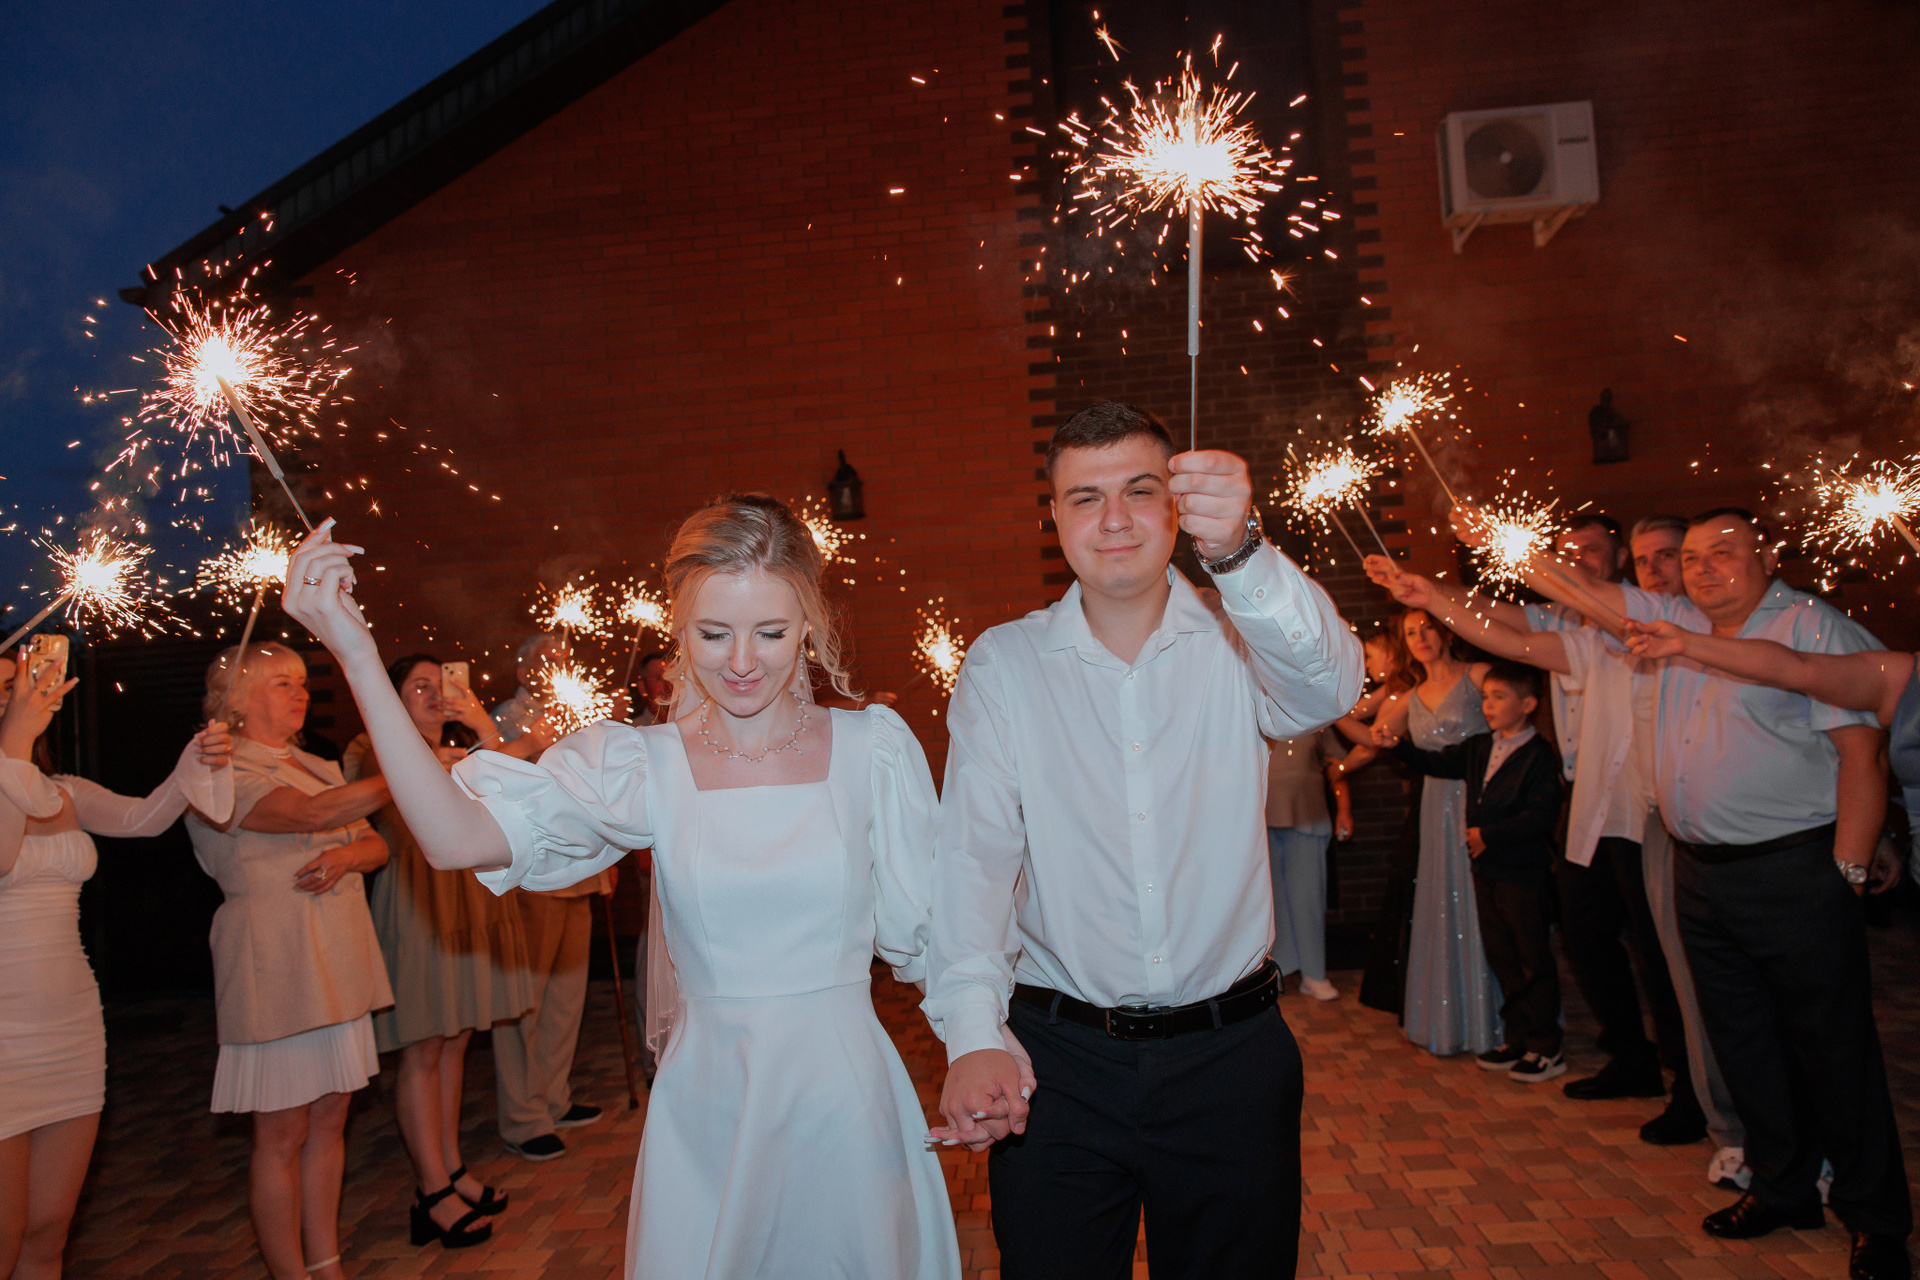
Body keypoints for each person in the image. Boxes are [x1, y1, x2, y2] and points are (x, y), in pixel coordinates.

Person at [282, 498, 978, 1279]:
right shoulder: (640, 764)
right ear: (680, 630)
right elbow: (454, 839)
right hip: (713, 1101)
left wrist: (980, 1043)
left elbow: (936, 935)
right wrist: (355, 653)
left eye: (770, 632)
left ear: (808, 624)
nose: (741, 661)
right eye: (713, 634)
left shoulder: (871, 749)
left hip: (846, 1098)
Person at [926, 401, 1364, 1280]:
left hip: (1231, 1058)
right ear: (1055, 516)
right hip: (1058, 1061)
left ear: (1177, 504)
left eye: (1139, 490)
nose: (1115, 519)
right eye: (1085, 497)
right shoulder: (1005, 664)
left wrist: (1239, 552)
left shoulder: (1241, 637)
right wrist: (971, 1032)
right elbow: (974, 861)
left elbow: (1328, 690)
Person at [1463, 505, 1910, 1280]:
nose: (1702, 568)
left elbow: (1862, 758)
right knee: (1743, 1039)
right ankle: (1781, 1186)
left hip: (1793, 869)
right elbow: (1582, 592)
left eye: (1722, 551)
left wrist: (1844, 875)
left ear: (1767, 555)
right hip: (1701, 869)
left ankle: (1875, 1219)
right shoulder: (1678, 624)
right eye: (1692, 556)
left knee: (1832, 1050)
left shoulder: (1813, 627)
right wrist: (1498, 541)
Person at [1368, 521, 1745, 1173]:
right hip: (1593, 805)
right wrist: (1430, 593)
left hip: (1655, 812)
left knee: (1665, 959)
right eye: (1569, 556)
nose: (1579, 564)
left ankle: (1696, 1089)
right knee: (1586, 936)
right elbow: (1506, 629)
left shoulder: (1664, 623)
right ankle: (1632, 1057)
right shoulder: (1583, 634)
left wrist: (1500, 542)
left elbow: (1546, 608)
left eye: (1668, 557)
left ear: (1616, 559)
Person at [0, 652, 232, 1280]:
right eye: (5, 689)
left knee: (48, 1233)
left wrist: (190, 765)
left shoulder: (64, 790)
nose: (19, 697)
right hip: (3, 1036)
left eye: (20, 685)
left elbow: (143, 820)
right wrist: (13, 743)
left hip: (70, 1024)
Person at [184, 642, 395, 1280]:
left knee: (331, 1118)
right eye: (282, 683)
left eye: (302, 682)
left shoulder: (316, 764)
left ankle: (326, 1264)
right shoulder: (216, 768)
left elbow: (376, 845)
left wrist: (346, 856)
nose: (300, 694)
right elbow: (309, 814)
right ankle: (288, 1272)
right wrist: (410, 773)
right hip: (274, 961)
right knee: (281, 1133)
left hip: (338, 956)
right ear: (236, 699)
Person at [341, 656, 540, 1248]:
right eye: (419, 687)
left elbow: (509, 778)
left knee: (455, 1040)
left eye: (441, 684)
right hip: (417, 901)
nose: (434, 695)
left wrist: (480, 724)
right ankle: (431, 1190)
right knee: (424, 1046)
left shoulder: (458, 748)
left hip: (462, 899)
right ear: (392, 697)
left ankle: (451, 1168)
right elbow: (394, 792)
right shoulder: (372, 746)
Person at [1387, 661, 1565, 1080]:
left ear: (1528, 705)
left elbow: (1541, 814)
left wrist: (1490, 834)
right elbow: (1438, 763)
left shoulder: (1538, 755)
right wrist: (1396, 745)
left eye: (1499, 698)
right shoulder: (1480, 747)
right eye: (1486, 697)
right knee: (1502, 954)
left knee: (1531, 957)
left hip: (1522, 873)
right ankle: (1518, 1036)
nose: (1488, 706)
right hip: (1486, 871)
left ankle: (1546, 1046)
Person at [488, 634, 606, 1162]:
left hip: (578, 871)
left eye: (563, 660)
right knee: (527, 997)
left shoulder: (579, 710)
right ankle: (522, 1116)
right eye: (545, 661)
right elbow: (508, 782)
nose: (557, 668)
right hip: (535, 870)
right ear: (523, 669)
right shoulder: (509, 717)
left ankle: (554, 1097)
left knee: (565, 995)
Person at [1370, 608, 1501, 1056]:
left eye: (1427, 627)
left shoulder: (1477, 675)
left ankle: (1494, 1019)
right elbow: (1373, 737)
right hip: (1432, 807)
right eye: (1410, 632)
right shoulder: (1410, 696)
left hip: (1477, 800)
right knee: (1440, 899)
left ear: (1445, 632)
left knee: (1486, 906)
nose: (1420, 637)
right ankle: (1447, 1019)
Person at [1265, 729, 1350, 1001]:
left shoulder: (1317, 721)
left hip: (1307, 816)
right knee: (1270, 903)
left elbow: (1339, 766)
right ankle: (1275, 969)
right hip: (1262, 821)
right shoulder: (1255, 716)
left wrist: (1344, 809)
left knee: (1308, 898)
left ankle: (1314, 973)